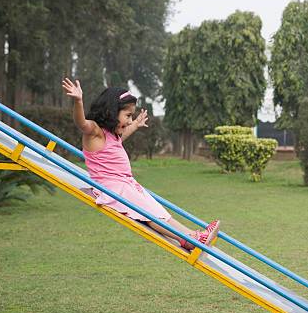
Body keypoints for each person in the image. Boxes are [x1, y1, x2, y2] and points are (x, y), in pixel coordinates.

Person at [62, 78, 219, 252]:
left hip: (126, 185)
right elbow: (81, 123)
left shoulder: (112, 135)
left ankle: (191, 237)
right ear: (112, 112)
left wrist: (136, 124)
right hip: (114, 188)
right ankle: (192, 239)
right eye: (128, 115)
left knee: (158, 211)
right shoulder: (95, 133)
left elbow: (120, 139)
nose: (129, 120)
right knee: (151, 214)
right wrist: (78, 101)